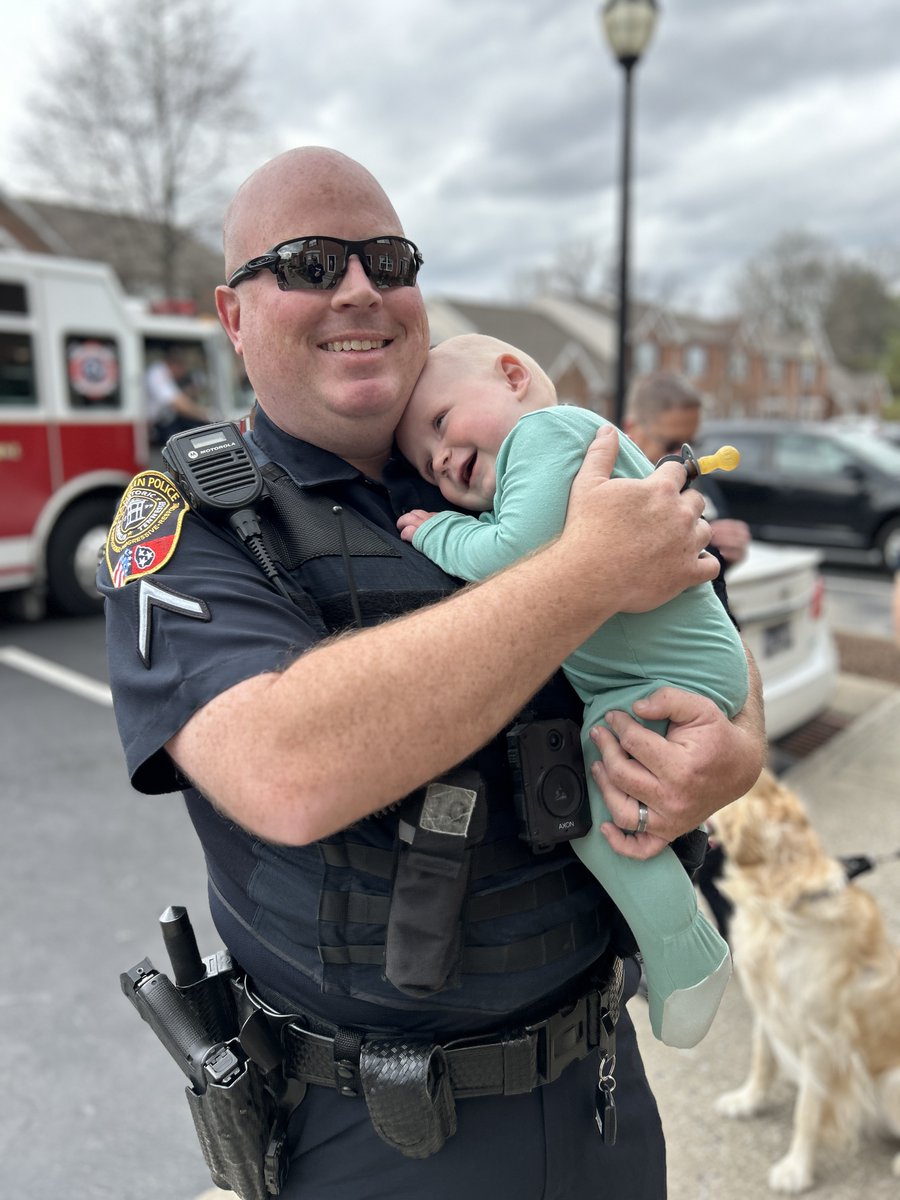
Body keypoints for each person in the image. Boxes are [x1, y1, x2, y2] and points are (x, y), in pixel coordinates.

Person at [98, 146, 765, 1200]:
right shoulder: (192, 519)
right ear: (233, 315)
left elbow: (696, 603)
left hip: (600, 1092)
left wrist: (739, 751)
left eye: (387, 258)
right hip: (377, 1139)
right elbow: (283, 767)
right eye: (311, 262)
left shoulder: (497, 444)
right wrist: (578, 576)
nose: (357, 286)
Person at [394, 333, 748, 1048]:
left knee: (602, 814)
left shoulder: (545, 433)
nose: (439, 461)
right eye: (426, 466)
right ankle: (677, 943)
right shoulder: (539, 454)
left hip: (665, 681)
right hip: (662, 677)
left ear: (514, 374)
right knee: (617, 808)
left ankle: (688, 957)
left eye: (439, 423)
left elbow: (512, 552)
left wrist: (436, 531)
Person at [624, 370, 751, 572]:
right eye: (670, 444)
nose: (682, 458)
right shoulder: (613, 486)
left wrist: (728, 549)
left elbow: (712, 563)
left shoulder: (697, 478)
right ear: (631, 428)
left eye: (689, 445)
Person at [144, 344, 213, 444]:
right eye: (183, 366)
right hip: (149, 428)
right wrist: (206, 415)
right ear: (175, 364)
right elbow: (176, 402)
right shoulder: (158, 372)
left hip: (157, 424)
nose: (185, 371)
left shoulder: (165, 374)